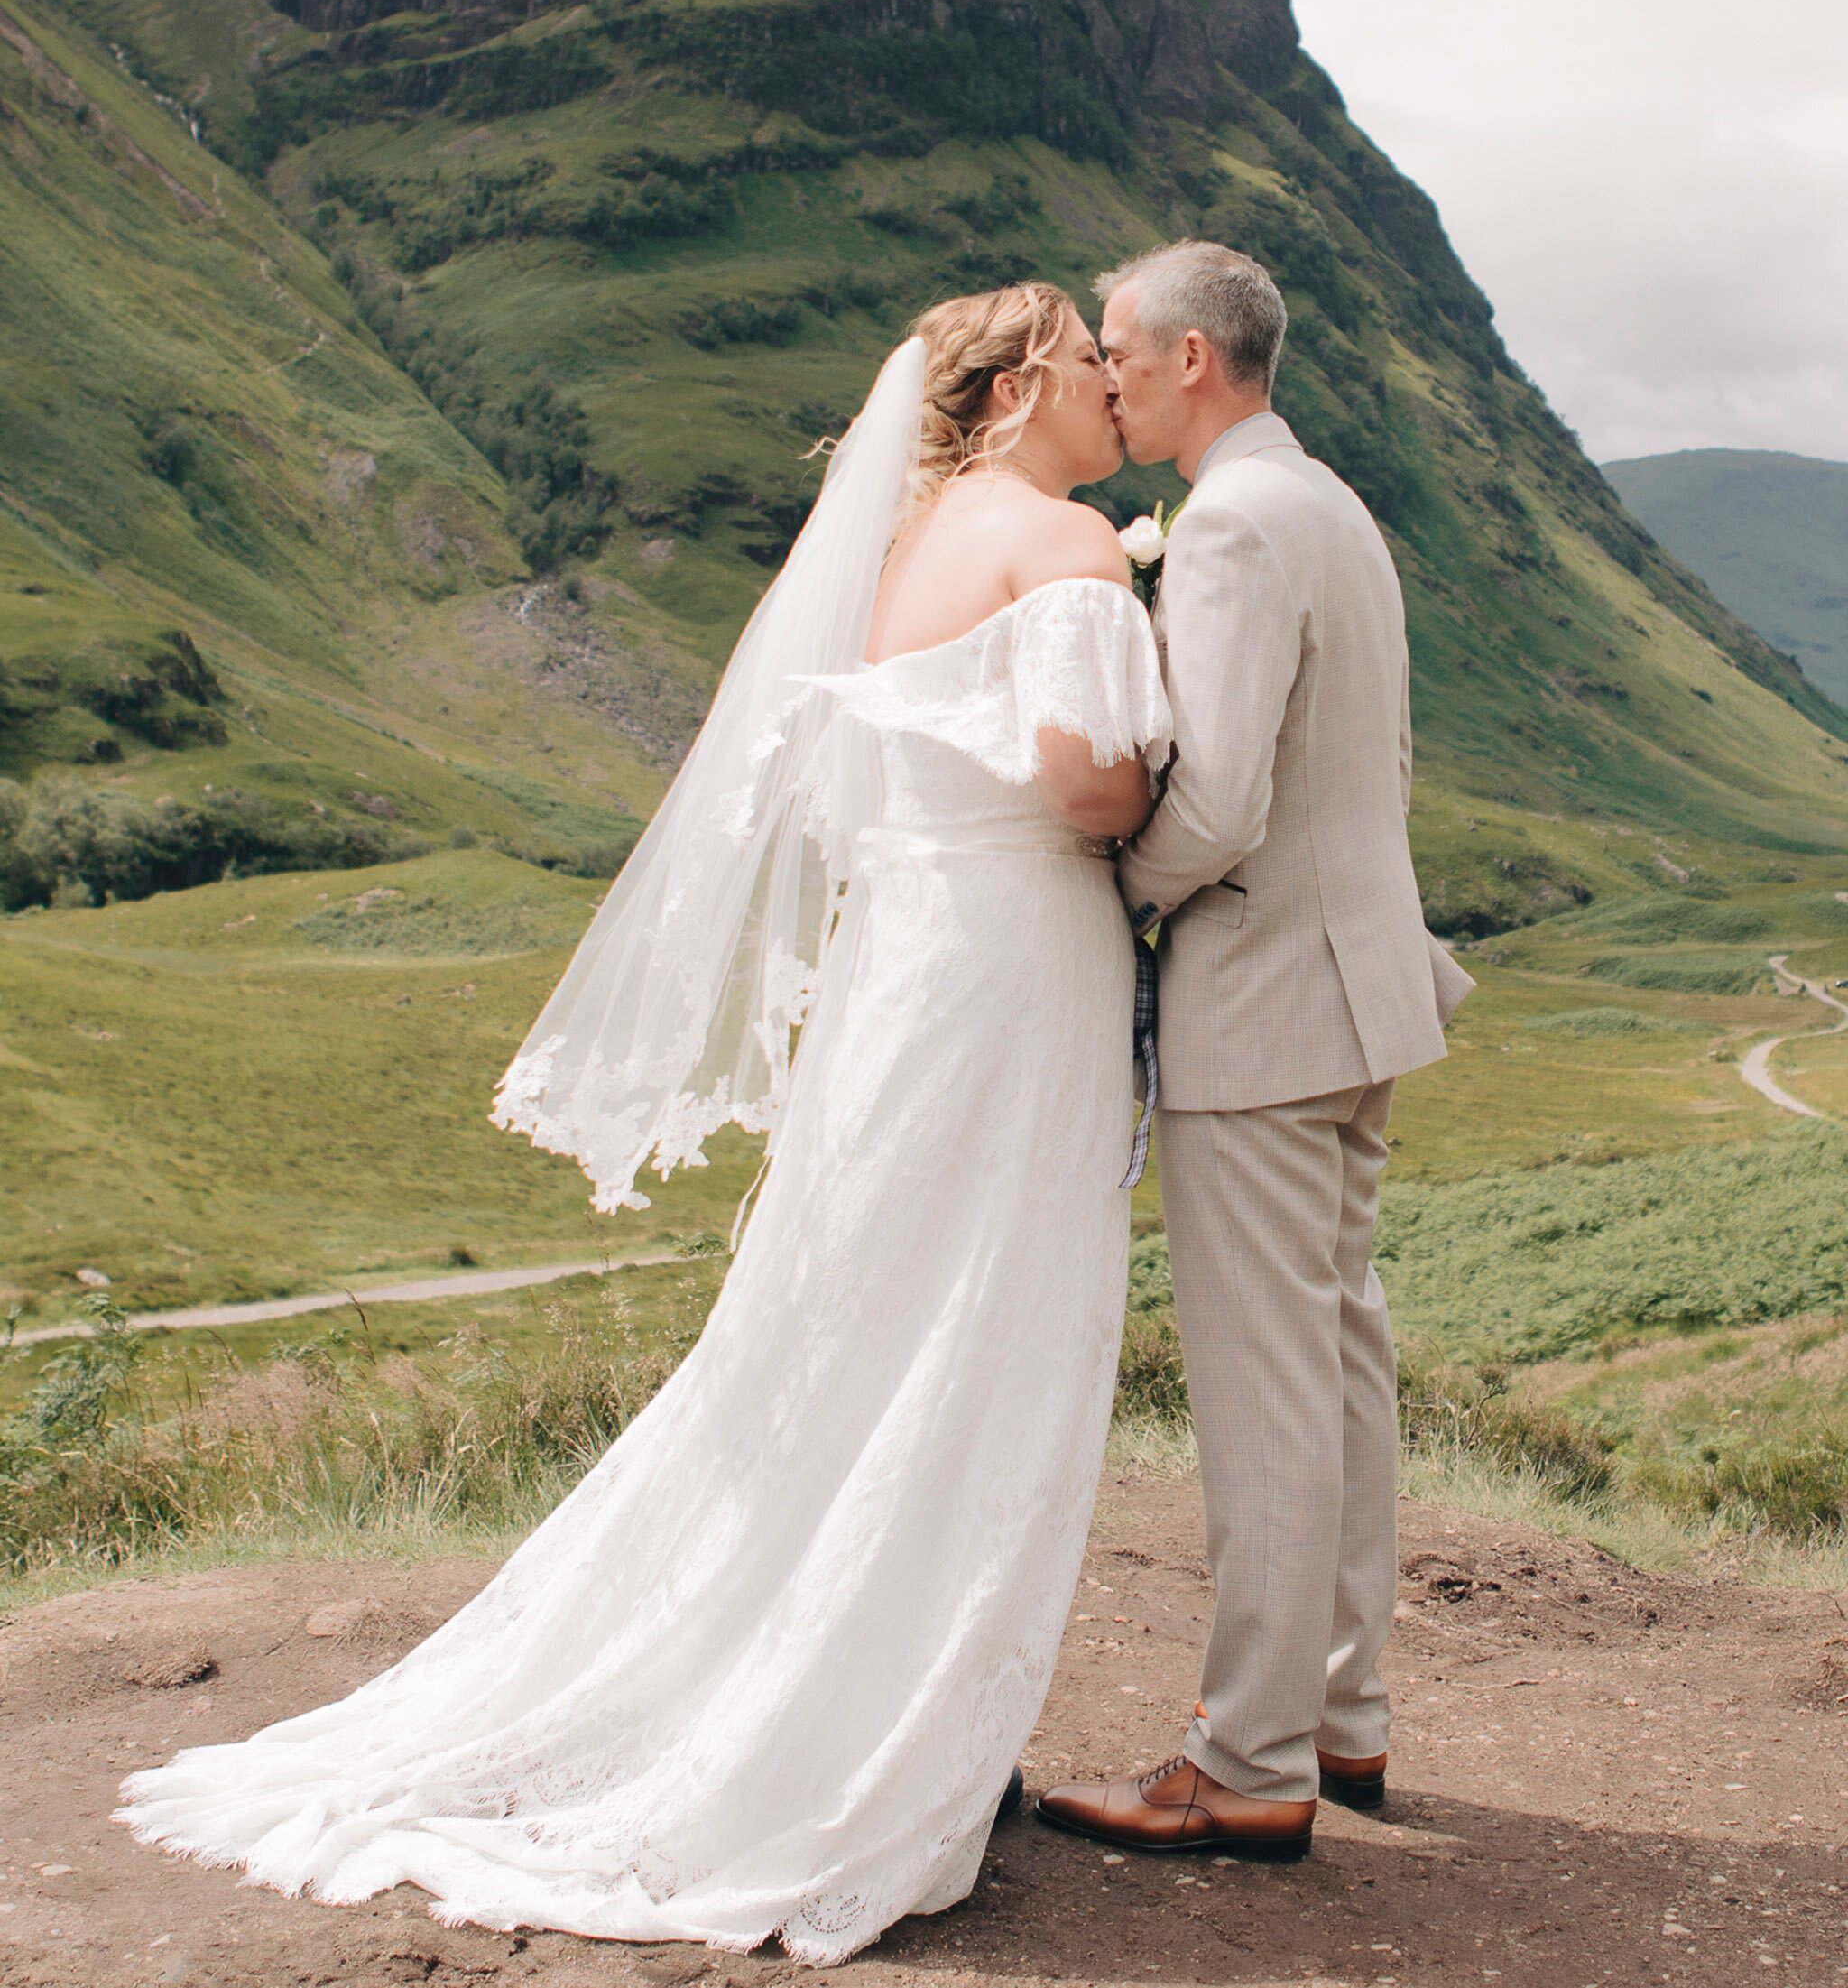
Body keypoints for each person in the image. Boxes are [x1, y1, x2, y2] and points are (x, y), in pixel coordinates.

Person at [118, 284, 1172, 1967]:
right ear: (1027, 375)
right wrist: (1154, 732)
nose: (1119, 385)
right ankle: (855, 1729)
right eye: (1090, 358)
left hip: (913, 970)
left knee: (855, 1327)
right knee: (971, 1328)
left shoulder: (923, 546)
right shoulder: (1060, 541)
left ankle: (817, 1685)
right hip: (1002, 967)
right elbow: (1088, 784)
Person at [1036, 240, 1472, 1864]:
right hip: (1358, 984)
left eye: (1124, 351)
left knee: (1270, 1386)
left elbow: (1214, 804)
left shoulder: (1224, 525)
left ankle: (1248, 1758)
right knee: (1343, 1361)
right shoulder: (1333, 505)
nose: (1109, 374)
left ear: (1196, 360)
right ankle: (1342, 1720)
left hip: (1266, 1001)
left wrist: (1115, 898)